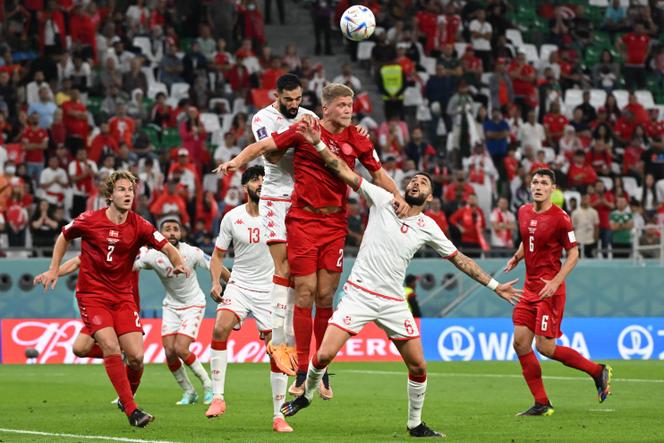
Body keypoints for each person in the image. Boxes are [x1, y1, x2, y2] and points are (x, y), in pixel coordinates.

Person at [279, 118, 521, 437]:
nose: (416, 183)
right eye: (413, 179)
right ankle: (307, 394)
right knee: (322, 355)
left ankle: (415, 424)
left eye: (423, 182)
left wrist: (494, 286)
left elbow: (460, 259)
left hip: (393, 302)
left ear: (430, 197)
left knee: (419, 366)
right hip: (360, 296)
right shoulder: (383, 200)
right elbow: (343, 170)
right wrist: (319, 143)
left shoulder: (430, 226)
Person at [216, 83, 406, 399]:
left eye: (351, 105)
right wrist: (236, 162)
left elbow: (378, 174)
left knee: (325, 296)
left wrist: (397, 195)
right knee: (304, 292)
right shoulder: (304, 129)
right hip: (303, 220)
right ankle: (302, 369)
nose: (348, 110)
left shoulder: (358, 138)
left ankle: (322, 367)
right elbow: (263, 147)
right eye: (343, 105)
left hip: (335, 223)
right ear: (326, 107)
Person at [34, 171, 190, 427]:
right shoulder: (89, 220)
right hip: (92, 296)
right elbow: (64, 236)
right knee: (110, 347)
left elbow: (167, 246)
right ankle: (132, 410)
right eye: (121, 189)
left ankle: (124, 395)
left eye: (131, 189)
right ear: (109, 195)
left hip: (123, 297)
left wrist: (179, 262)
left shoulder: (139, 225)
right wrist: (53, 269)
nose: (128, 193)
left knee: (136, 357)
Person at [504, 169, 612, 416]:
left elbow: (574, 254)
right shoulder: (522, 211)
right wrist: (517, 257)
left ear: (553, 188)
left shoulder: (561, 218)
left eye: (544, 183)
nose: (538, 186)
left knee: (545, 347)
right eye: (534, 182)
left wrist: (555, 282)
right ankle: (541, 403)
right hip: (530, 288)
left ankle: (597, 371)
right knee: (520, 343)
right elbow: (527, 238)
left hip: (549, 291)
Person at [205, 166, 293, 433]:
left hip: (271, 290)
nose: (261, 183)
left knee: (276, 352)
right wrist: (215, 281)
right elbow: (218, 255)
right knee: (220, 327)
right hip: (240, 285)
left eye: (265, 179)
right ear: (245, 187)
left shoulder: (281, 216)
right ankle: (218, 397)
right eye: (255, 179)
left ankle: (279, 416)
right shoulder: (232, 218)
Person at [249, 74, 318, 377]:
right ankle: (277, 340)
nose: (293, 105)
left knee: (301, 276)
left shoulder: (310, 116)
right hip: (275, 198)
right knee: (285, 268)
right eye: (288, 99)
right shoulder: (262, 118)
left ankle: (289, 340)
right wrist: (298, 135)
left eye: (298, 99)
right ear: (275, 95)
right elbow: (273, 156)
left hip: (302, 200)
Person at [132, 218, 213, 405]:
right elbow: (130, 265)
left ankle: (208, 385)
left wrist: (229, 281)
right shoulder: (152, 255)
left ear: (181, 233)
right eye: (167, 229)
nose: (171, 233)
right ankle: (189, 392)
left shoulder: (192, 252)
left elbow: (214, 264)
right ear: (159, 234)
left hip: (193, 304)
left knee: (180, 348)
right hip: (171, 306)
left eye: (175, 229)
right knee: (169, 352)